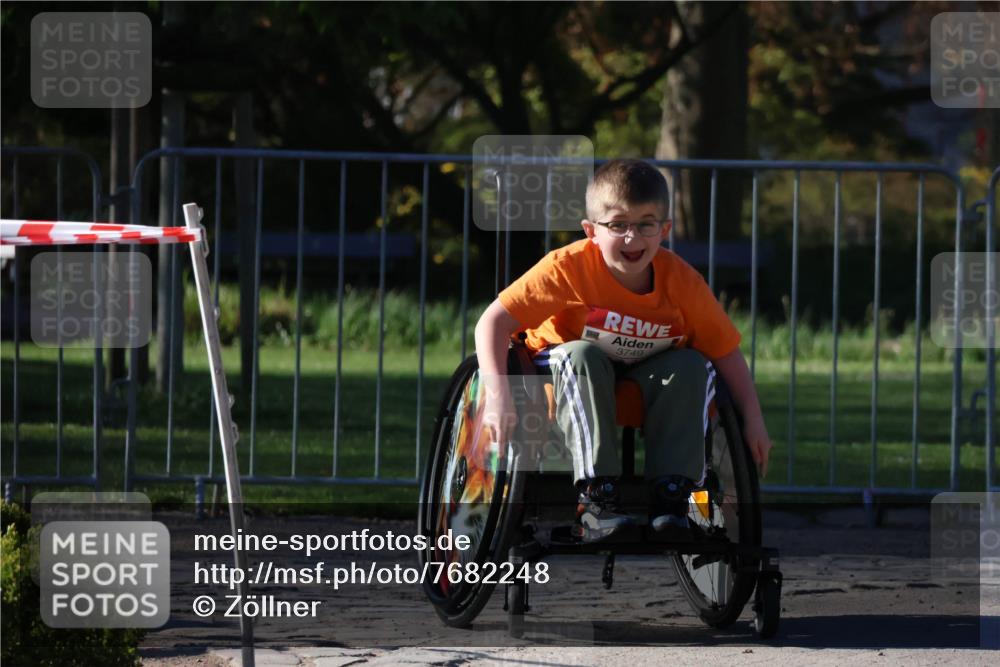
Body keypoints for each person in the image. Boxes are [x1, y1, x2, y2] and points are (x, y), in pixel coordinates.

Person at [473, 159, 772, 543]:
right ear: (591, 231)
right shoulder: (569, 267)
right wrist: (497, 398)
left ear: (664, 230)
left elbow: (726, 351)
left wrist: (754, 419)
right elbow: (492, 323)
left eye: (646, 224)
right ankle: (597, 501)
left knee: (692, 365)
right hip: (561, 377)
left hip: (643, 381)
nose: (633, 239)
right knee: (581, 355)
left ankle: (673, 498)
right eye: (617, 225)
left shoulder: (681, 282)